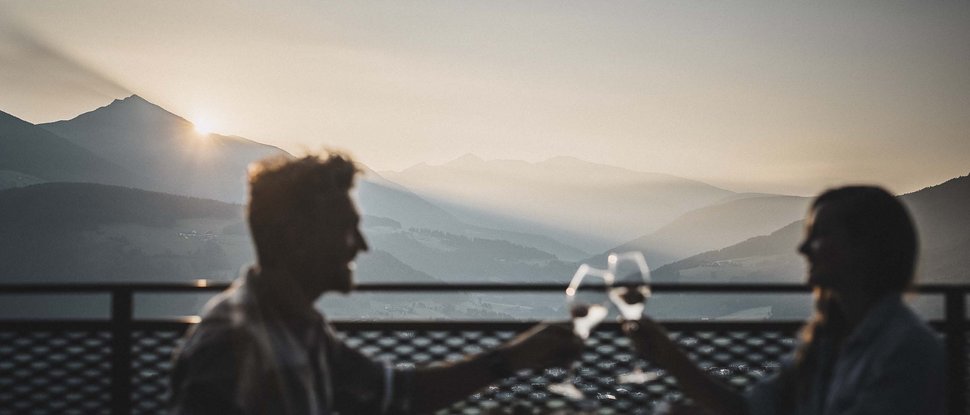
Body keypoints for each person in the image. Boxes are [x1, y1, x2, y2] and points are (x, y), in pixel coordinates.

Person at [170, 153, 583, 415]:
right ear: (298, 236)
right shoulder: (232, 345)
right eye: (348, 230)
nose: (363, 247)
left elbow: (392, 394)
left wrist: (513, 357)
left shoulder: (296, 326)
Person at [623, 186, 945, 415]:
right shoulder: (826, 341)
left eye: (820, 236)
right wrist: (669, 357)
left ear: (866, 249)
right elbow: (750, 409)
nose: (803, 249)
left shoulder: (906, 352)